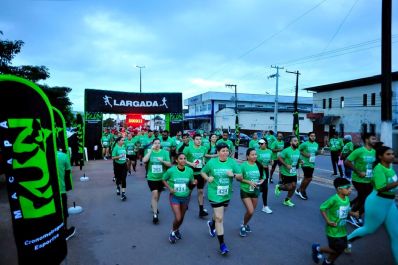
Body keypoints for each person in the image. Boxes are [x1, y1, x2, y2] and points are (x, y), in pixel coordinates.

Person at [347, 146, 398, 264]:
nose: (392, 156)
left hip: (390, 204)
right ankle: (344, 241)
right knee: (369, 229)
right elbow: (381, 188)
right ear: (380, 156)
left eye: (393, 154)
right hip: (377, 202)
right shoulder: (378, 169)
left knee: (396, 235)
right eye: (388, 154)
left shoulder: (390, 167)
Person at [201, 143, 241, 255]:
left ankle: (211, 224)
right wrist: (208, 178)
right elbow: (203, 171)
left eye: (227, 151)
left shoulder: (232, 162)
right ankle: (222, 245)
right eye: (223, 151)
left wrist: (233, 175)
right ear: (218, 152)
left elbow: (240, 176)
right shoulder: (212, 162)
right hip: (214, 193)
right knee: (219, 218)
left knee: (220, 214)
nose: (225, 153)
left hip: (226, 194)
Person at [312, 177, 359, 265]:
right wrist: (328, 221)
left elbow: (347, 210)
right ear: (339, 189)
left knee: (339, 249)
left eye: (351, 188)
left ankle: (328, 261)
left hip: (342, 230)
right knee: (337, 249)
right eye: (348, 188)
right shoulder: (334, 199)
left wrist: (353, 213)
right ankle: (318, 249)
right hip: (333, 231)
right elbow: (322, 208)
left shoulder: (347, 199)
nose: (350, 190)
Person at [163, 153, 197, 244]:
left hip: (186, 197)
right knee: (178, 217)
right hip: (175, 197)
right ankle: (172, 232)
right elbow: (163, 179)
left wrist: (194, 184)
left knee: (182, 218)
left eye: (185, 158)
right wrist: (170, 188)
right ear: (177, 160)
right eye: (181, 158)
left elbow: (191, 183)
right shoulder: (171, 170)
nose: (183, 160)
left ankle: (176, 230)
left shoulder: (189, 170)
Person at [344, 132, 377, 227]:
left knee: (365, 197)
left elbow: (374, 164)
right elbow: (347, 162)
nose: (375, 141)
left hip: (369, 179)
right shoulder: (359, 151)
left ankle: (351, 208)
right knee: (365, 198)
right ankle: (353, 214)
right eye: (373, 139)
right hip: (358, 179)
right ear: (367, 140)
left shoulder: (374, 152)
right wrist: (358, 172)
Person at [237, 148, 265, 237]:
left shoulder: (259, 165)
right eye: (252, 155)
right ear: (247, 156)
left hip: (255, 190)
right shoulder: (243, 166)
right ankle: (243, 226)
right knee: (251, 211)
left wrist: (261, 181)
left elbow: (263, 177)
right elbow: (238, 178)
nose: (254, 156)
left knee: (251, 212)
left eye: (255, 154)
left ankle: (245, 223)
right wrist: (249, 182)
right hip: (245, 190)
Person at [143, 138, 172, 224]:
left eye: (159, 143)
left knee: (158, 195)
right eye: (155, 143)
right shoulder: (149, 151)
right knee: (155, 194)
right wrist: (150, 151)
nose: (157, 144)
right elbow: (144, 160)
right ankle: (155, 214)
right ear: (152, 144)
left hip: (162, 178)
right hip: (151, 177)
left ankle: (154, 204)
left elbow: (169, 164)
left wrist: (162, 161)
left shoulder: (165, 152)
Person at [183, 134, 209, 217]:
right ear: (193, 140)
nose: (199, 141)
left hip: (200, 173)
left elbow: (203, 157)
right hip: (191, 173)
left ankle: (201, 210)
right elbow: (182, 158)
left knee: (200, 191)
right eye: (197, 139)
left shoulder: (203, 148)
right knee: (189, 191)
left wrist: (204, 161)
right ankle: (185, 204)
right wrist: (190, 163)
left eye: (200, 139)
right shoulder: (188, 148)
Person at [56, 140, 76, 240]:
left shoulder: (42, 155)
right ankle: (64, 232)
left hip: (46, 191)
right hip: (61, 189)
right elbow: (68, 174)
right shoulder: (63, 156)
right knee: (63, 212)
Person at [275, 136, 301, 207]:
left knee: (294, 186)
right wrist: (286, 165)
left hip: (293, 172)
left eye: (297, 141)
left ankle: (287, 200)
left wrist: (300, 161)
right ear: (291, 142)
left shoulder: (298, 151)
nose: (297, 142)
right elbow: (279, 157)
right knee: (289, 187)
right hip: (285, 172)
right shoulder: (286, 150)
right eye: (295, 141)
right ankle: (279, 187)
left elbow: (298, 159)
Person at [296, 132, 322, 200]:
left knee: (307, 178)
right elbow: (298, 150)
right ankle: (302, 191)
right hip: (304, 163)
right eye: (311, 136)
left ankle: (299, 190)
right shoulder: (304, 144)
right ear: (308, 137)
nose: (313, 137)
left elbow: (314, 154)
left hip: (312, 163)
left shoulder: (316, 144)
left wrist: (319, 153)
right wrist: (305, 154)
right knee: (309, 178)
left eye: (314, 136)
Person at [256, 138, 273, 214]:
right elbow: (255, 161)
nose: (260, 145)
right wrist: (262, 165)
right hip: (258, 171)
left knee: (265, 188)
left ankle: (265, 206)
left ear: (265, 143)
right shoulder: (257, 151)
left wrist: (271, 162)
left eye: (261, 143)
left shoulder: (269, 151)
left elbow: (271, 160)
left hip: (266, 171)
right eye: (259, 143)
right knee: (256, 188)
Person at [112, 137, 128, 201]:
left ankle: (123, 194)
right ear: (118, 141)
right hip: (117, 165)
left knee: (124, 178)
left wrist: (125, 158)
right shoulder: (115, 148)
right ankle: (118, 187)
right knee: (118, 177)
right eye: (122, 140)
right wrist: (119, 157)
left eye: (124, 140)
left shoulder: (124, 147)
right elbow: (113, 157)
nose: (123, 141)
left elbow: (124, 155)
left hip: (124, 164)